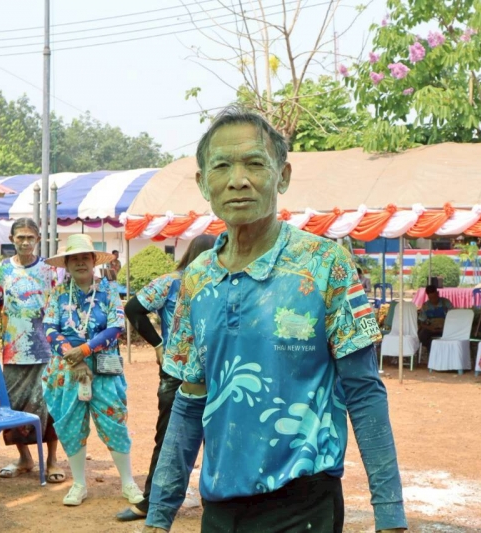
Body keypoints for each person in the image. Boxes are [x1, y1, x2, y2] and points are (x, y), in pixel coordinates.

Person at [143, 107, 406, 532]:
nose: (238, 180)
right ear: (203, 183)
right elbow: (189, 402)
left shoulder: (325, 265)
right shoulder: (196, 279)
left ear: (282, 176)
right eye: (222, 166)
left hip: (303, 506)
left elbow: (364, 392)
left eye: (254, 163)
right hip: (220, 507)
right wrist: (158, 517)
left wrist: (390, 515)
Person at [114, 234, 216, 523]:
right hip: (179, 373)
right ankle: (152, 502)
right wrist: (158, 345)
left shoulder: (221, 283)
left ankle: (214, 504)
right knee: (170, 438)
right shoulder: (172, 282)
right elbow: (133, 308)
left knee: (213, 439)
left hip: (215, 373)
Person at [41, 234, 143, 507]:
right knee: (70, 423)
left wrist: (84, 351)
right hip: (67, 369)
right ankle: (79, 484)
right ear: (66, 264)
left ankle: (128, 482)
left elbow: (116, 327)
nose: (80, 263)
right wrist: (73, 358)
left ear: (93, 261)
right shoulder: (58, 293)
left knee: (114, 420)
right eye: (73, 258)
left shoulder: (108, 290)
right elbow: (50, 328)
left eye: (85, 257)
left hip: (104, 367)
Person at [0, 218, 64, 484]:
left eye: (30, 237)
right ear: (12, 239)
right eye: (20, 237)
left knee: (49, 404)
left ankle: (52, 460)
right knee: (13, 404)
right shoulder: (3, 268)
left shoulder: (49, 268)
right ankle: (25, 458)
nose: (25, 242)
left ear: (38, 239)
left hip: (46, 349)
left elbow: (58, 306)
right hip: (13, 350)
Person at [418, 284, 454, 354]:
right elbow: (421, 322)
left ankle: (446, 352)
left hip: (445, 328)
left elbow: (453, 318)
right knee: (422, 336)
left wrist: (445, 327)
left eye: (434, 297)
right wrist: (429, 328)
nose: (433, 300)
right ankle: (433, 352)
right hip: (430, 328)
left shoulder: (446, 303)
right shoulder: (425, 306)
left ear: (438, 293)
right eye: (430, 298)